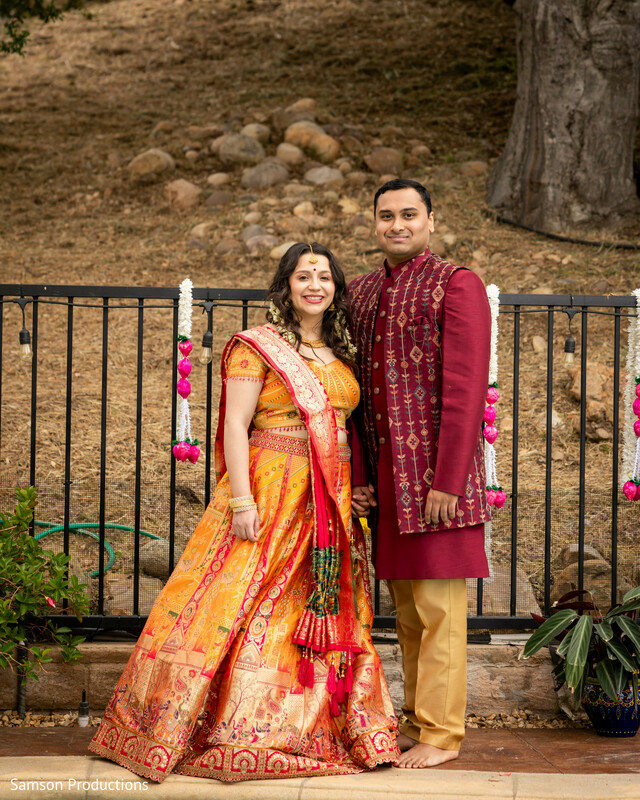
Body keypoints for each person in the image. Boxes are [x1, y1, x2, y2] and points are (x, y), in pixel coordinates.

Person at [89, 242, 399, 783]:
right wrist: (240, 500)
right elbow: (235, 425)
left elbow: (342, 431)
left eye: (324, 277)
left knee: (307, 604)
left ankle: (299, 726)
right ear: (285, 286)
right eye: (303, 276)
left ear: (336, 289)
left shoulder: (341, 351)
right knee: (239, 598)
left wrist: (356, 487)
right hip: (270, 487)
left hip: (328, 499)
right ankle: (217, 725)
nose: (315, 286)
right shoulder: (258, 346)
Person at [348, 179, 491, 769]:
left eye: (409, 214)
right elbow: (352, 395)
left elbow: (466, 389)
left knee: (439, 614)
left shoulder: (456, 284)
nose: (397, 225)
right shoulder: (359, 292)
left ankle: (442, 733)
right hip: (386, 482)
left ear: (431, 220)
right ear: (375, 224)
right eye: (387, 216)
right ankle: (417, 722)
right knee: (407, 615)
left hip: (435, 483)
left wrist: (448, 482)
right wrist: (359, 475)